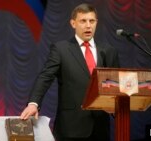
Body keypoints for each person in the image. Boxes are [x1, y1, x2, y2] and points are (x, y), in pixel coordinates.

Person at [20, 3, 120, 141]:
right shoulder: (61, 49)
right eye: (83, 21)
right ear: (73, 23)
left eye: (91, 21)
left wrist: (114, 106)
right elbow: (45, 77)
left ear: (96, 23)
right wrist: (33, 103)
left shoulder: (108, 51)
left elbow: (115, 85)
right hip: (70, 127)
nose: (88, 25)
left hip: (100, 127)